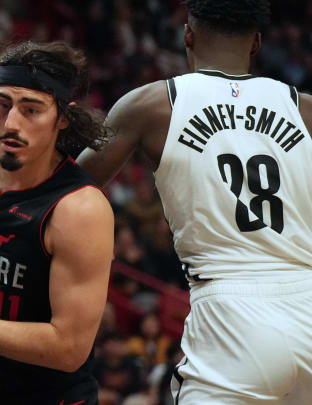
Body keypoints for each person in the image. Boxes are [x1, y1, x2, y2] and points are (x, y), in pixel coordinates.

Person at [77, 1, 312, 403]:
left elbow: (69, 189)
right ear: (256, 43)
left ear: (187, 34)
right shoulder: (304, 108)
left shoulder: (153, 104)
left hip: (230, 310)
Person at [0, 41, 114, 404]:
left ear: (63, 117)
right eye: (3, 105)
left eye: (32, 110)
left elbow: (68, 348)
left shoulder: (79, 210)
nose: (11, 124)